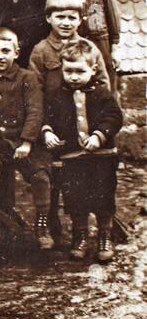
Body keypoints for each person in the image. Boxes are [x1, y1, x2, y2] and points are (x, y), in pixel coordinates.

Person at [42, 41, 123, 263]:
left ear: (93, 69)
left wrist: (100, 135)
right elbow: (47, 117)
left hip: (102, 157)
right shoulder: (57, 95)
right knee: (75, 197)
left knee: (103, 195)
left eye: (80, 71)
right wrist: (48, 132)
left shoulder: (102, 93)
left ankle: (104, 236)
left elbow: (115, 116)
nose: (74, 76)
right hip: (72, 158)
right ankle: (80, 236)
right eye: (68, 71)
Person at [0, 27, 51, 252]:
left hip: (25, 143)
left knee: (41, 175)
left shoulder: (27, 78)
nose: (0, 56)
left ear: (16, 53)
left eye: (6, 51)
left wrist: (27, 141)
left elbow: (35, 111)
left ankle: (42, 225)